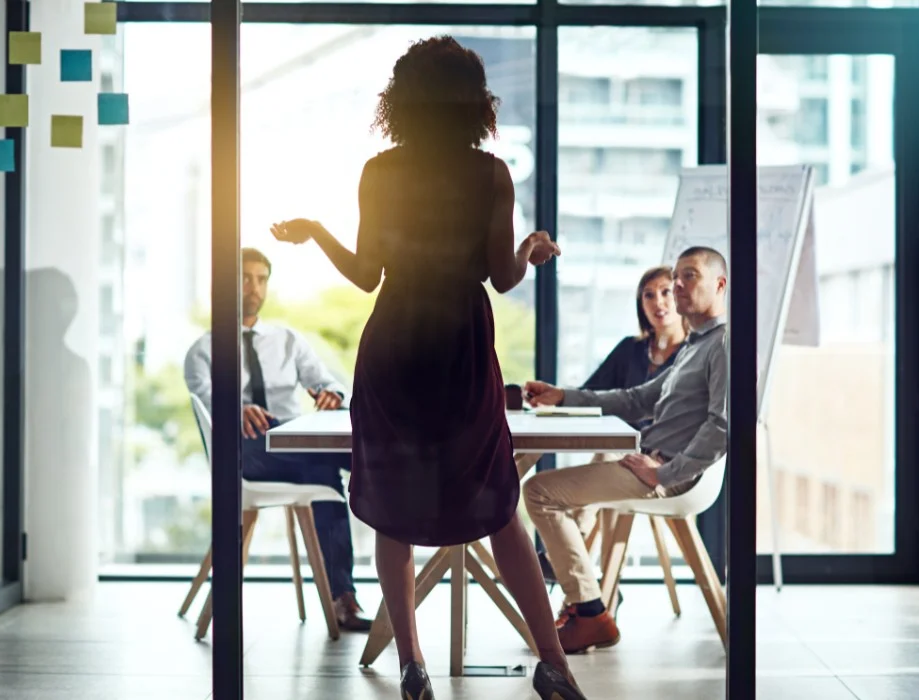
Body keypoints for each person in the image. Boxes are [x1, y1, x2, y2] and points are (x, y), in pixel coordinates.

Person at [269, 35, 586, 700]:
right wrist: (529, 249)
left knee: (394, 511)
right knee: (499, 504)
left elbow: (363, 277)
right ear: (473, 100)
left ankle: (412, 667)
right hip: (461, 352)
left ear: (402, 100)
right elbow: (502, 279)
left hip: (393, 350)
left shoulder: (380, 172)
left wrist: (317, 231)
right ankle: (552, 662)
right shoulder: (490, 174)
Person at [521, 246, 729, 655]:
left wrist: (664, 474)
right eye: (676, 276)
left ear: (720, 285)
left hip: (668, 475)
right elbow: (636, 400)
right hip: (651, 462)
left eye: (689, 276)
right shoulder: (695, 345)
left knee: (538, 493)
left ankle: (589, 612)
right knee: (544, 490)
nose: (677, 286)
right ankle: (587, 606)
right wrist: (563, 396)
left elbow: (723, 427)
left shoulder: (722, 345)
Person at [183, 247, 372, 632]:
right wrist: (235, 408)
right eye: (244, 278)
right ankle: (344, 598)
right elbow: (207, 401)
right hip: (245, 453)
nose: (254, 288)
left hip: (295, 445)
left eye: (261, 279)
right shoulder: (203, 350)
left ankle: (385, 563)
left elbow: (326, 381)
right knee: (328, 476)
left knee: (369, 458)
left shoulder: (287, 340)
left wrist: (331, 393)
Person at [537, 265, 689, 586]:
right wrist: (558, 397)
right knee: (613, 451)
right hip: (622, 456)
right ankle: (602, 593)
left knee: (610, 457)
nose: (658, 302)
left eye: (665, 292)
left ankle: (568, 558)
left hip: (661, 464)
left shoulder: (693, 355)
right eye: (649, 295)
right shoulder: (630, 349)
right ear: (640, 304)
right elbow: (596, 393)